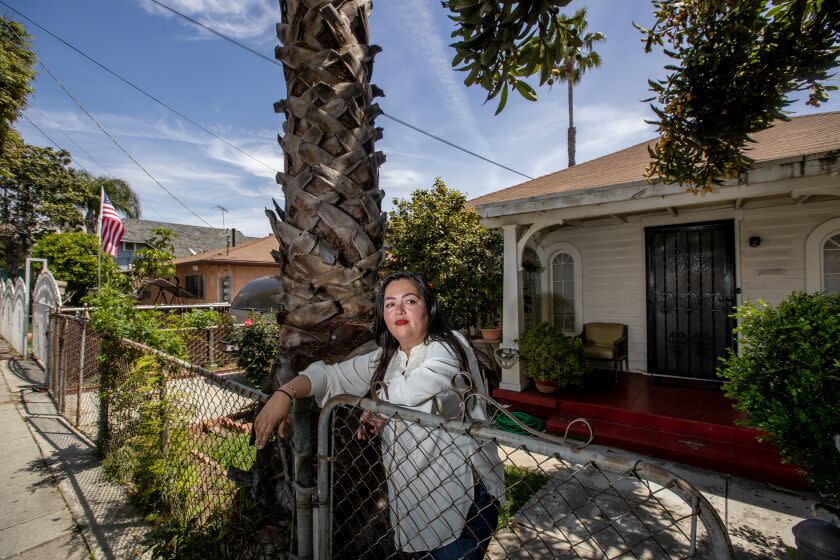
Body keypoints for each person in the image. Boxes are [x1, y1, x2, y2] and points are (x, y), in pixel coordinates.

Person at [254, 270, 504, 559]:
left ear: (430, 308)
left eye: (410, 301)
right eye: (389, 303)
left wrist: (377, 405)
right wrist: (285, 393)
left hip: (465, 499)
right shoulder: (389, 358)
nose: (398, 309)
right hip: (417, 503)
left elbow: (425, 384)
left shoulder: (449, 346)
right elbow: (331, 375)